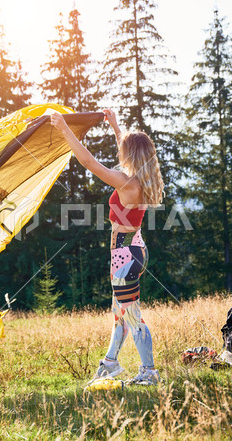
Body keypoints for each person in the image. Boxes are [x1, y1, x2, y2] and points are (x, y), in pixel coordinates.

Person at [50, 109, 164, 384]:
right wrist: (116, 127)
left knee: (133, 315)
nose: (120, 154)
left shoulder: (127, 183)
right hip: (132, 250)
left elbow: (89, 162)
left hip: (125, 255)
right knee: (120, 314)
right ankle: (111, 362)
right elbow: (126, 155)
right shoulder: (140, 180)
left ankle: (149, 372)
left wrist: (64, 128)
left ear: (131, 156)